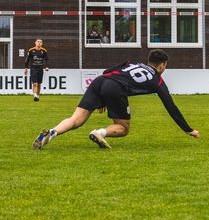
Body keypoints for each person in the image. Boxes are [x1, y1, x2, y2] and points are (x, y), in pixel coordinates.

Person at [33, 49, 200, 150]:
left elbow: (108, 70)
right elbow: (170, 106)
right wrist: (188, 129)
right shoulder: (157, 79)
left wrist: (103, 99)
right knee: (123, 128)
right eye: (165, 66)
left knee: (76, 119)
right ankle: (99, 133)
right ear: (162, 65)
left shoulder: (133, 64)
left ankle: (52, 133)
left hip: (99, 81)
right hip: (115, 88)